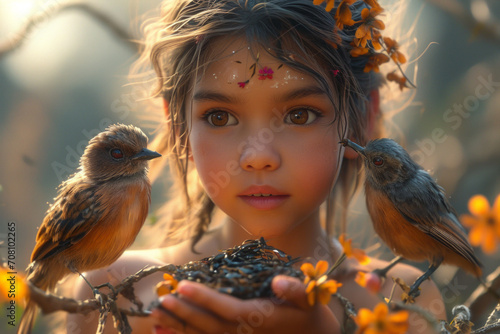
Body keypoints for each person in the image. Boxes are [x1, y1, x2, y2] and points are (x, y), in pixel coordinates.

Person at [68, 0, 446, 333]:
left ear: (361, 121)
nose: (258, 156)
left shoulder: (402, 301)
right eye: (219, 117)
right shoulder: (115, 290)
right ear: (179, 129)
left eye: (300, 115)